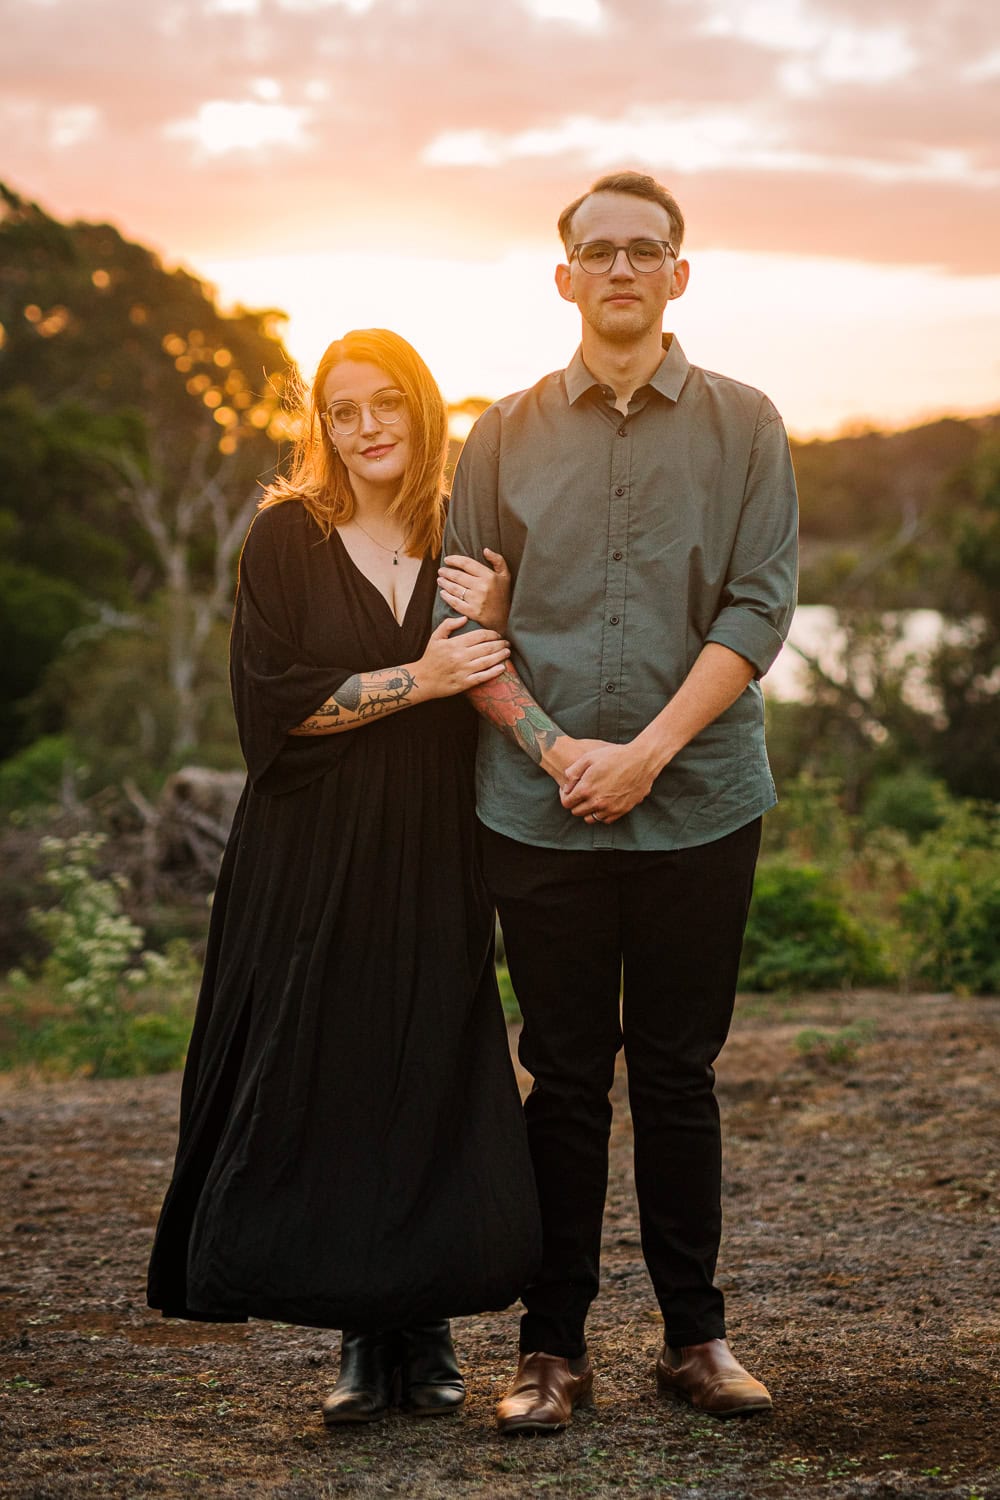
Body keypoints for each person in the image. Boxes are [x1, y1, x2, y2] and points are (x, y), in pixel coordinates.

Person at [435, 172, 798, 1431]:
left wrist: (644, 750)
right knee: (566, 1072)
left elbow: (758, 606)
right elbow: (463, 621)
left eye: (647, 250)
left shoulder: (747, 425)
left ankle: (695, 1340)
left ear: (679, 275)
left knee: (682, 1072)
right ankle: (552, 1351)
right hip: (539, 813)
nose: (623, 269)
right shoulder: (499, 434)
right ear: (566, 277)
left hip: (699, 799)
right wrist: (553, 752)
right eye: (600, 251)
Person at [147, 327, 541, 1425]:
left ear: (421, 410)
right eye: (341, 409)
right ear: (319, 425)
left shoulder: (470, 541)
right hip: (311, 851)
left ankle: (429, 1324)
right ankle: (364, 1342)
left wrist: (496, 628)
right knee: (334, 1069)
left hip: (432, 842)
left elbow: (508, 689)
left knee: (429, 1065)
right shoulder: (286, 539)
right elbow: (278, 710)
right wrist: (420, 673)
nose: (365, 427)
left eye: (386, 404)